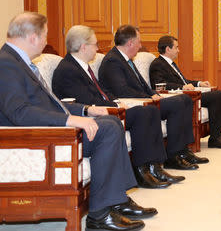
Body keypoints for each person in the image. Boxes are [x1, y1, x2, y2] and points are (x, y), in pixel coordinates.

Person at [0, 12, 154, 231]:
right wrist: (70, 120)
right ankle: (100, 214)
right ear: (33, 37)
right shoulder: (6, 64)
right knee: (109, 130)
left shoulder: (19, 61)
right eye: (44, 36)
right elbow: (20, 113)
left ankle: (116, 200)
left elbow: (50, 103)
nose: (46, 42)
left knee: (110, 122)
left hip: (52, 133)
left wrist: (86, 109)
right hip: (43, 139)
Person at [52, 25, 186, 188]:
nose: (98, 48)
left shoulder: (81, 65)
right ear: (83, 47)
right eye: (95, 44)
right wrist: (115, 104)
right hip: (95, 115)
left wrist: (115, 101)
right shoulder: (68, 69)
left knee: (150, 110)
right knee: (143, 114)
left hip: (106, 108)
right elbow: (88, 101)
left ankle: (154, 166)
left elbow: (102, 93)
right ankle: (141, 171)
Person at [99, 25, 209, 170]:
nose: (140, 45)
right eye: (139, 41)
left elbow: (142, 84)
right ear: (130, 43)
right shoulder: (112, 61)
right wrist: (150, 98)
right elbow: (123, 91)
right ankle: (173, 156)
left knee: (185, 100)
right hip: (134, 104)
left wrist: (154, 94)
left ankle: (183, 150)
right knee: (177, 103)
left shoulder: (126, 59)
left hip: (145, 100)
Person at [150, 35, 221, 149]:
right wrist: (182, 87)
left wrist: (198, 83)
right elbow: (160, 85)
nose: (178, 50)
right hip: (181, 96)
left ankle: (217, 134)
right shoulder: (157, 64)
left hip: (188, 94)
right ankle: (215, 137)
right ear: (168, 49)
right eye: (176, 47)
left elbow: (184, 81)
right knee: (217, 95)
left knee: (218, 95)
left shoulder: (171, 63)